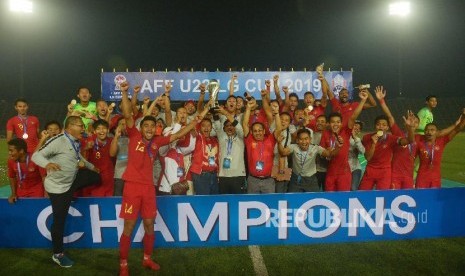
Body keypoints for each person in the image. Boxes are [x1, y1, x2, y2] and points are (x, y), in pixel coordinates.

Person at [117, 81, 203, 275]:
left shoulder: (157, 141)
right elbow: (127, 114)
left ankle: (147, 258)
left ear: (155, 128)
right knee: (129, 227)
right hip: (131, 187)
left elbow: (178, 134)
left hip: (148, 188)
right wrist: (125, 92)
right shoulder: (133, 136)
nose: (149, 128)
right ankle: (123, 264)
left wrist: (194, 122)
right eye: (145, 125)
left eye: (152, 125)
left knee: (149, 224)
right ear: (141, 127)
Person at [32, 116, 100, 268]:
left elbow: (77, 156)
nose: (82, 128)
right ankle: (58, 254)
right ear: (69, 127)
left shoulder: (75, 141)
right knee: (59, 221)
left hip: (70, 183)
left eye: (83, 126)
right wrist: (48, 163)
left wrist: (90, 166)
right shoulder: (58, 140)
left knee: (95, 176)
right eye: (80, 126)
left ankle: (72, 193)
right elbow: (36, 156)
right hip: (58, 188)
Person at [359, 86, 416, 191]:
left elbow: (409, 141)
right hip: (370, 170)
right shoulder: (367, 137)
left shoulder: (391, 139)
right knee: (362, 194)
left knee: (383, 196)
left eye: (384, 125)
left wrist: (411, 128)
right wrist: (373, 143)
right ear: (375, 126)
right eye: (378, 124)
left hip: (385, 172)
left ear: (387, 127)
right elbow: (368, 158)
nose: (381, 126)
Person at [319, 91, 368, 191]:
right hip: (330, 173)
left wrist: (362, 101)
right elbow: (324, 153)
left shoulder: (345, 132)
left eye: (338, 122)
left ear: (342, 123)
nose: (335, 124)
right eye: (333, 122)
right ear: (329, 123)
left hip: (344, 173)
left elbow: (354, 116)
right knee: (330, 201)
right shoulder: (325, 134)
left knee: (343, 200)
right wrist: (329, 152)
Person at [278, 128, 341, 192]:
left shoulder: (315, 148)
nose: (304, 142)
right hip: (295, 179)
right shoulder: (293, 147)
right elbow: (283, 152)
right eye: (301, 139)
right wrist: (279, 143)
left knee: (314, 200)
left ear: (310, 139)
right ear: (297, 140)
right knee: (292, 200)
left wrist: (338, 147)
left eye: (306, 139)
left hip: (311, 179)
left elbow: (329, 154)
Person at [415, 108, 465, 188]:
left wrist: (464, 117)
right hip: (422, 178)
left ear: (437, 132)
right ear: (424, 132)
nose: (429, 132)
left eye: (432, 130)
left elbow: (457, 130)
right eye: (427, 130)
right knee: (421, 199)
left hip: (435, 179)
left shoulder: (441, 141)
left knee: (434, 200)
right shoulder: (419, 143)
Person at [242, 93, 282, 194]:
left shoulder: (270, 139)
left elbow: (279, 129)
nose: (257, 132)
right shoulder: (249, 139)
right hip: (252, 180)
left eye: (260, 130)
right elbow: (245, 124)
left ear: (264, 131)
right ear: (252, 132)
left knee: (269, 206)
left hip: (268, 180)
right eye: (255, 131)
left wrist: (277, 114)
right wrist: (248, 108)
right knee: (251, 205)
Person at [213, 106, 246, 194]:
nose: (229, 127)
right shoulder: (221, 137)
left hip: (238, 175)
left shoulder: (241, 138)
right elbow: (217, 125)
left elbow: (239, 127)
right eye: (227, 126)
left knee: (238, 202)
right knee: (224, 202)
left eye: (231, 125)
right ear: (224, 129)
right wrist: (214, 111)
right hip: (223, 176)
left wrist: (225, 113)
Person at [81, 119, 117, 196]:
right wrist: (85, 149)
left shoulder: (112, 141)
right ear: (94, 131)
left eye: (104, 128)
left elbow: (112, 154)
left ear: (108, 130)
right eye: (98, 129)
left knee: (106, 203)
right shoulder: (88, 141)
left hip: (108, 178)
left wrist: (116, 137)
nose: (101, 131)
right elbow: (82, 160)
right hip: (93, 177)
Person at [7, 138, 45, 203]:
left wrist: (46, 194)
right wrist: (13, 193)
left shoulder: (35, 158)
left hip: (37, 189)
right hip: (21, 190)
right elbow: (12, 177)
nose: (9, 153)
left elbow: (44, 176)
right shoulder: (11, 161)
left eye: (11, 151)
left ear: (21, 151)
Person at [349, 120, 365, 191]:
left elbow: (362, 151)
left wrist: (355, 138)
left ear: (359, 131)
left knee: (353, 188)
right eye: (354, 126)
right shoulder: (343, 138)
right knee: (345, 188)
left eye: (358, 128)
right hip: (344, 168)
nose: (356, 128)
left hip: (356, 168)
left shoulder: (358, 140)